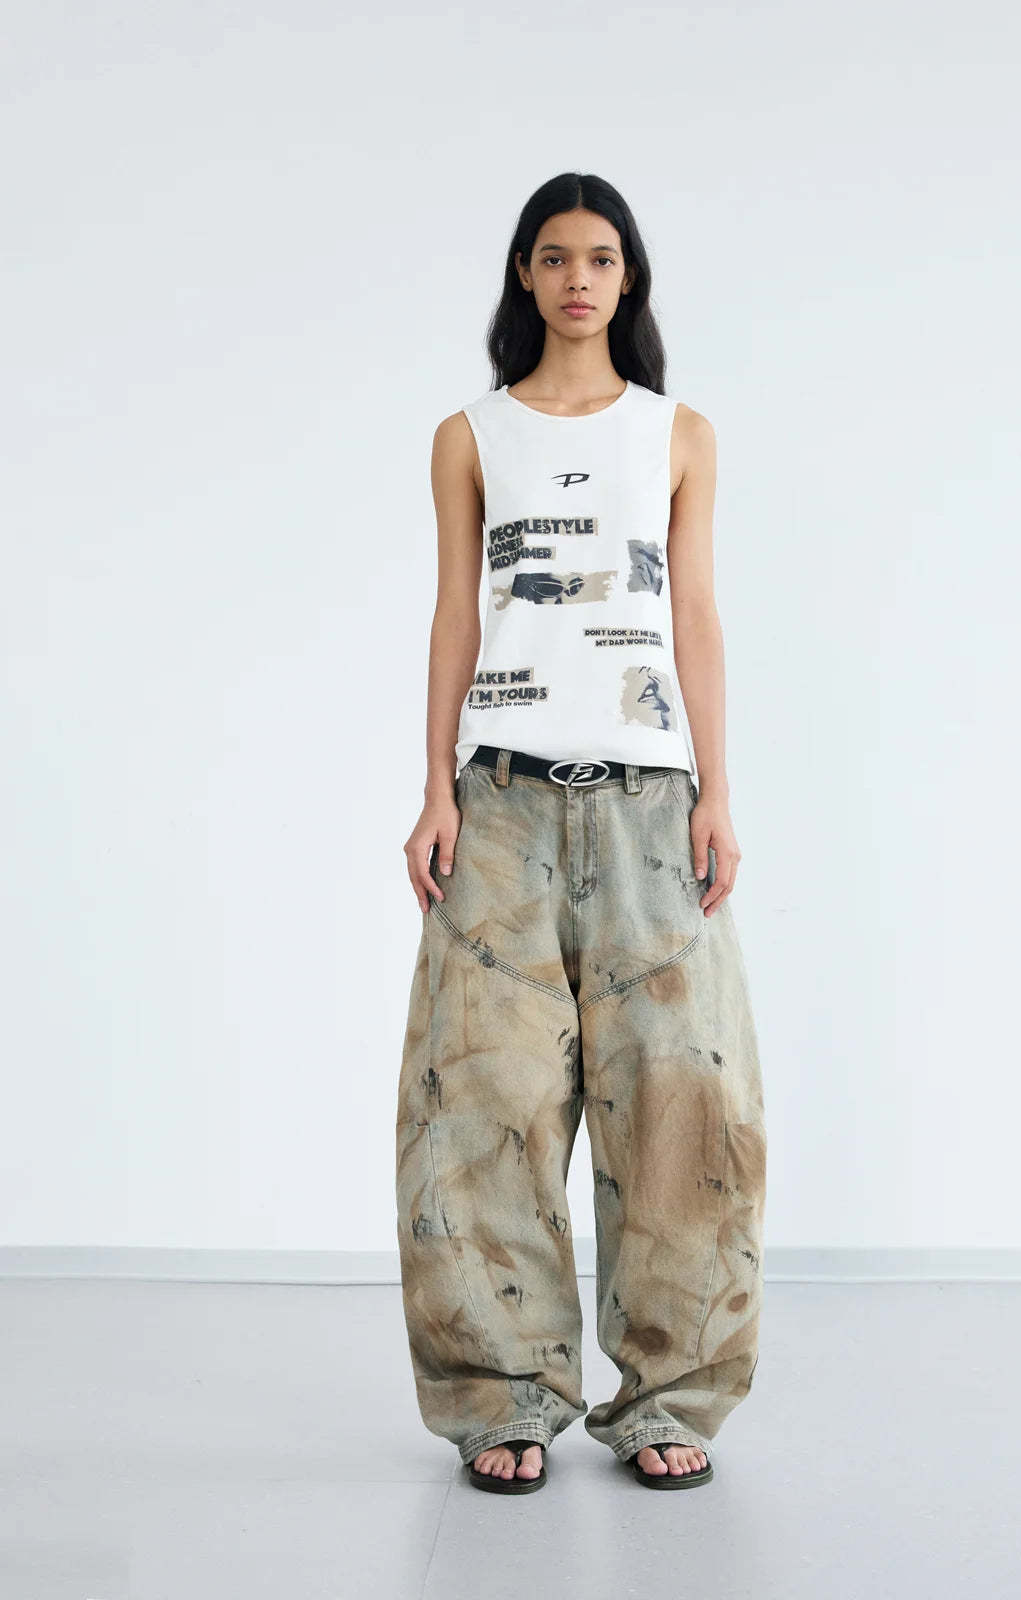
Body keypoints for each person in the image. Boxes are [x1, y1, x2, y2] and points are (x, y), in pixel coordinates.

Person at [394, 172, 766, 1495]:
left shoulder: (678, 433)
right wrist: (435, 790)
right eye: (554, 257)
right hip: (500, 799)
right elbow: (455, 612)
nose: (577, 280)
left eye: (600, 258)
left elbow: (694, 614)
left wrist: (716, 790)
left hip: (650, 800)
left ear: (628, 278)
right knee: (481, 1098)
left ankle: (669, 1398)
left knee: (681, 1096)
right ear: (524, 273)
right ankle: (501, 1396)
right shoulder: (470, 434)